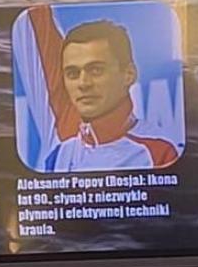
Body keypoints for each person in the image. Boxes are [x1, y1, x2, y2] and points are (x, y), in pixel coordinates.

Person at [25, 11, 179, 172]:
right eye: (73, 73)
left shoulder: (162, 152)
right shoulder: (58, 157)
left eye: (96, 70)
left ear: (129, 75)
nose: (83, 84)